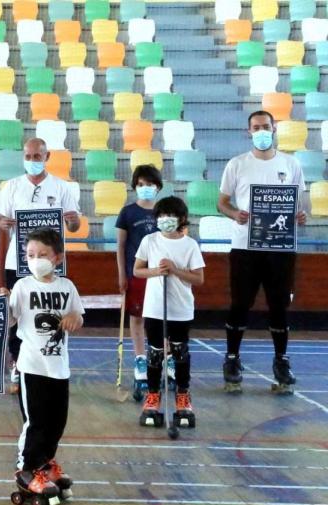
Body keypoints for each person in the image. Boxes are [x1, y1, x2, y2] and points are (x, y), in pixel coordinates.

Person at [218, 110, 309, 395]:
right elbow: (222, 202)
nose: (261, 131)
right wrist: (235, 214)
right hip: (245, 246)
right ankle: (232, 360)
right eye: (256, 127)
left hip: (280, 248)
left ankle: (281, 361)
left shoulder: (291, 164)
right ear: (249, 132)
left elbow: (300, 204)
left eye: (265, 126)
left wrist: (301, 216)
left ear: (274, 128)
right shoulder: (237, 164)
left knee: (279, 305)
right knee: (240, 304)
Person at [0, 138, 82, 394]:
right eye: (28, 156)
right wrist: (1, 225)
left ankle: (51, 362)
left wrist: (74, 221)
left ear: (47, 156)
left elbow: (73, 227)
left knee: (49, 314)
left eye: (37, 156)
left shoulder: (61, 187)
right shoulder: (11, 187)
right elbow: (0, 222)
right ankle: (17, 365)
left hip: (49, 266)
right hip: (17, 262)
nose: (32, 160)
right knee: (16, 315)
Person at [7, 228, 84, 503]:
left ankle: (46, 463)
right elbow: (11, 319)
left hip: (59, 366)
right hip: (32, 365)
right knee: (36, 421)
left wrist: (75, 318)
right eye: (30, 255)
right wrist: (2, 302)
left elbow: (78, 315)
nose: (35, 259)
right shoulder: (23, 287)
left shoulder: (67, 287)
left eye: (42, 255)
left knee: (56, 421)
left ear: (58, 258)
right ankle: (27, 468)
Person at [134, 197, 205, 426]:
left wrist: (174, 270)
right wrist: (157, 271)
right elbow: (138, 271)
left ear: (182, 219)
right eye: (161, 216)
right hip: (155, 308)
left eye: (170, 216)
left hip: (180, 309)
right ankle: (153, 395)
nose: (165, 220)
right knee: (155, 352)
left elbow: (198, 278)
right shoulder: (149, 241)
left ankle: (183, 396)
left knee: (180, 352)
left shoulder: (190, 245)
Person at [115, 165, 160, 396]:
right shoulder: (128, 213)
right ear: (135, 187)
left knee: (162, 319)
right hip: (136, 275)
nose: (145, 189)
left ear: (158, 187)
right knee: (137, 318)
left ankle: (166, 358)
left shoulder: (164, 212)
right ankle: (140, 358)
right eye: (141, 184)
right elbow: (121, 246)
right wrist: (122, 274)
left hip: (161, 276)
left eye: (150, 184)